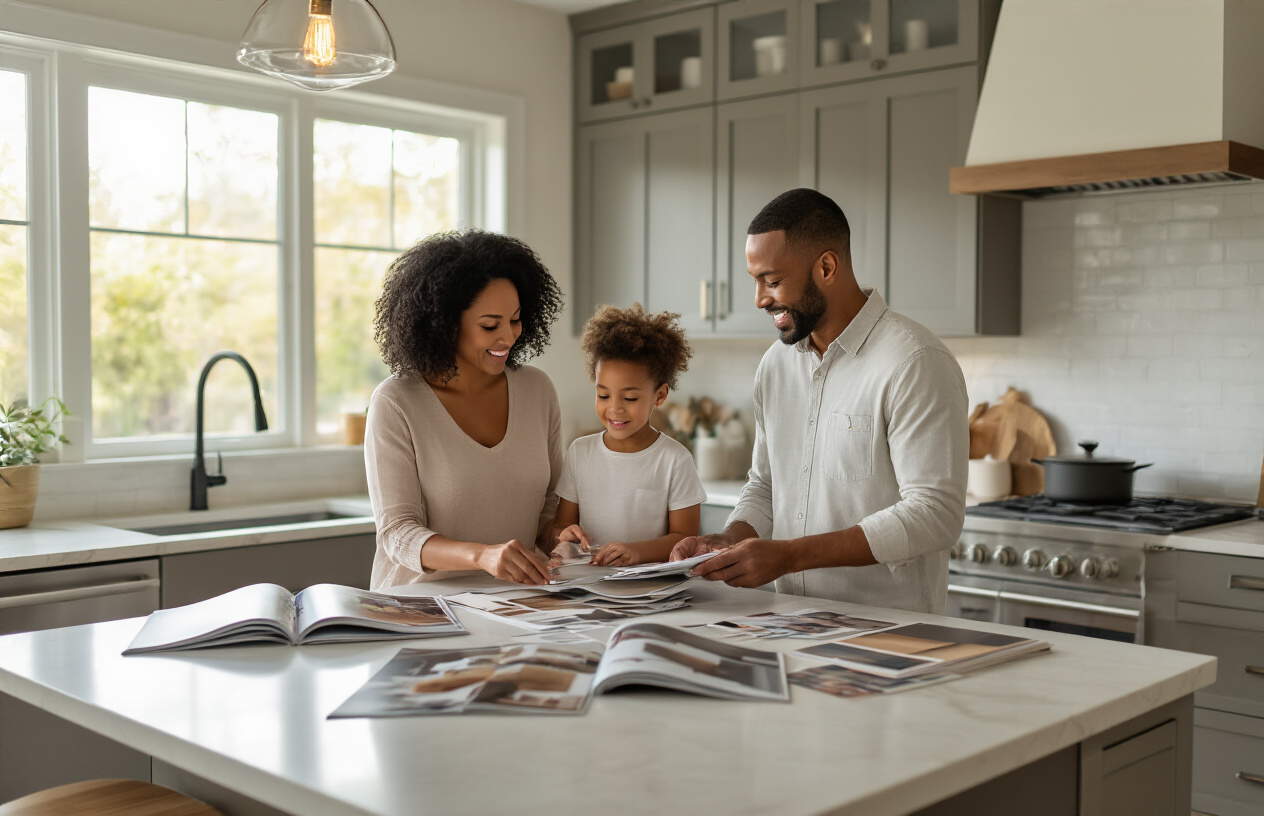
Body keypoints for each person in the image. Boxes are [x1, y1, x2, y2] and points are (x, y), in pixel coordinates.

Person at [671, 189, 968, 614]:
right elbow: (765, 485)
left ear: (826, 267)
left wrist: (790, 554)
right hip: (791, 625)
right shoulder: (775, 364)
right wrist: (729, 538)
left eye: (772, 281)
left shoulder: (915, 361)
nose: (759, 299)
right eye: (755, 281)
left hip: (890, 635)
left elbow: (934, 514)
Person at [365, 230, 565, 590]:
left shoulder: (538, 390)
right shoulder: (397, 401)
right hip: (421, 610)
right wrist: (483, 556)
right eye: (490, 325)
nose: (509, 337)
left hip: (519, 606)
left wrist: (563, 537)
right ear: (445, 323)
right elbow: (397, 534)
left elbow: (548, 510)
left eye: (515, 320)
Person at [550, 304, 707, 567]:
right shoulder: (580, 452)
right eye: (603, 395)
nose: (614, 408)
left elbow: (686, 538)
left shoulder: (674, 460)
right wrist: (563, 536)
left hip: (649, 592)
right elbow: (561, 527)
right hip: (589, 586)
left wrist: (635, 552)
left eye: (630, 397)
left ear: (660, 395)